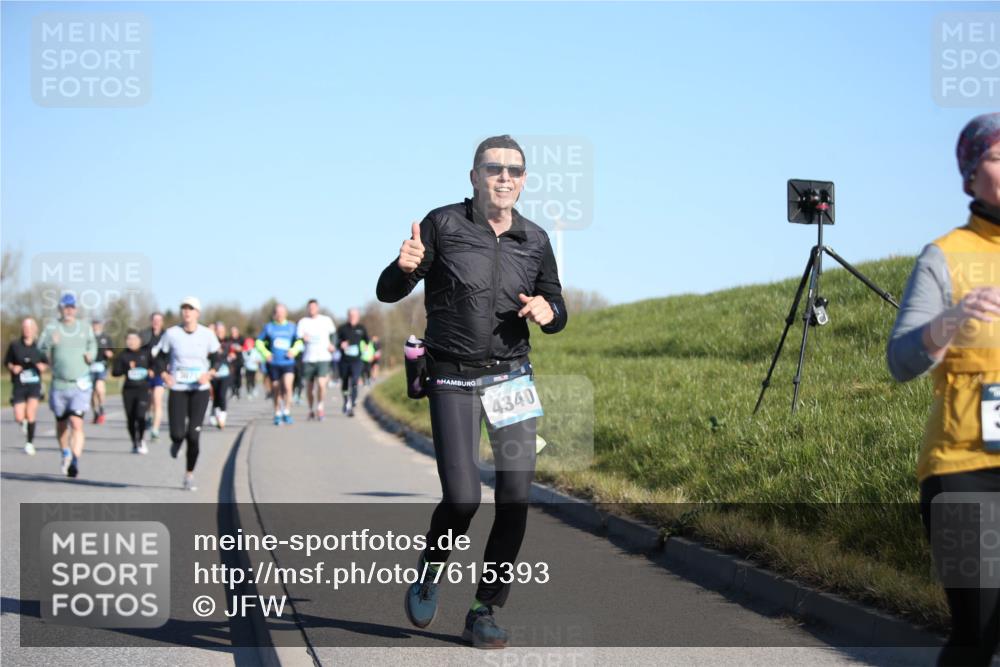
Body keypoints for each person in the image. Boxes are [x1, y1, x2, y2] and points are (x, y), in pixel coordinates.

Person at [376, 135, 568, 648]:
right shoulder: (442, 224)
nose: (505, 178)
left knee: (515, 497)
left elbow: (556, 306)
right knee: (462, 498)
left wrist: (549, 314)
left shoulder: (536, 239)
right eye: (494, 169)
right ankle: (431, 569)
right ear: (474, 176)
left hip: (510, 377)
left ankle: (484, 608)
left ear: (524, 181)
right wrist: (404, 266)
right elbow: (388, 292)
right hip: (453, 376)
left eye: (515, 171)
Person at [887, 112, 1000, 666]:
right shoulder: (944, 256)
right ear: (969, 175)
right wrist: (951, 319)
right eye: (998, 158)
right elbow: (901, 360)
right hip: (963, 468)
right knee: (978, 633)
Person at [157, 296, 221, 491]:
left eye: (191, 309)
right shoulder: (171, 334)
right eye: (184, 308)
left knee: (193, 435)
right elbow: (159, 357)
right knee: (177, 433)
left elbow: (219, 357)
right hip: (178, 388)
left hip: (199, 390)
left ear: (197, 313)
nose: (187, 312)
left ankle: (189, 474)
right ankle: (176, 442)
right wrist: (164, 374)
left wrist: (209, 373)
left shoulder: (207, 334)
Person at [39, 293, 98, 478]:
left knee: (76, 423)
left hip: (80, 384)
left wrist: (91, 354)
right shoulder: (52, 328)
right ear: (60, 309)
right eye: (66, 307)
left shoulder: (84, 327)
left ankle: (75, 460)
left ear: (76, 309)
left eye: (72, 307)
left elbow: (93, 346)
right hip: (59, 384)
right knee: (62, 424)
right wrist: (50, 342)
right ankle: (65, 452)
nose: (69, 310)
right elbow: (40, 349)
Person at [6, 317, 48, 455]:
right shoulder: (15, 345)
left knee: (30, 414)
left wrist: (43, 366)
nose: (27, 331)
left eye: (30, 328)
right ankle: (24, 423)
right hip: (19, 383)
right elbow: (7, 362)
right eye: (25, 328)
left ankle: (29, 443)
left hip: (34, 384)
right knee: (19, 416)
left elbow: (46, 363)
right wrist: (13, 368)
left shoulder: (40, 346)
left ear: (35, 330)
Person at [256, 303, 303, 425]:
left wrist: (293, 351)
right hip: (274, 363)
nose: (280, 314)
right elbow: (258, 342)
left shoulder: (292, 327)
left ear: (286, 313)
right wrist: (266, 354)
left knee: (288, 386)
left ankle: (287, 411)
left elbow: (299, 342)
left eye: (282, 312)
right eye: (278, 312)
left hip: (288, 362)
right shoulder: (269, 327)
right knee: (276, 389)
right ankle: (277, 412)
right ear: (274, 314)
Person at [112, 330, 152, 454]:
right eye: (128, 339)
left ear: (139, 340)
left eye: (134, 339)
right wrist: (126, 369)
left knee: (141, 415)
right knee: (130, 418)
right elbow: (115, 372)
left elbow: (155, 365)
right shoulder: (123, 355)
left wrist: (152, 371)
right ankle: (134, 442)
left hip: (143, 389)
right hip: (128, 390)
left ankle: (141, 439)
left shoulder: (146, 353)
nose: (131, 342)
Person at [297, 299, 337, 420]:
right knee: (309, 387)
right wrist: (303, 338)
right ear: (307, 309)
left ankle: (320, 407)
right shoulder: (303, 322)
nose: (312, 309)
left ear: (318, 308)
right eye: (310, 307)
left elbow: (333, 334)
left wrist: (332, 344)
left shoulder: (326, 320)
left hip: (323, 356)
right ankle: (310, 409)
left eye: (314, 307)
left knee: (321, 383)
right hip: (308, 358)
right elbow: (297, 338)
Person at [336, 308, 369, 417]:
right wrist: (341, 344)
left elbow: (367, 341)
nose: (352, 317)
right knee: (345, 382)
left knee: (355, 380)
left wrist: (365, 348)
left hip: (357, 360)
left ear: (358, 316)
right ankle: (346, 400)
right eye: (351, 315)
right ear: (348, 316)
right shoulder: (342, 328)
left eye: (355, 315)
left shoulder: (361, 328)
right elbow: (335, 342)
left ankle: (353, 401)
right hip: (344, 361)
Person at [141, 312, 167, 441]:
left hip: (160, 373)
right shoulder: (145, 335)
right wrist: (146, 368)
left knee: (157, 400)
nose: (156, 322)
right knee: (149, 401)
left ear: (162, 322)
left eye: (159, 320)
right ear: (151, 321)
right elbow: (140, 354)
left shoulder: (166, 336)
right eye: (154, 320)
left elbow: (169, 355)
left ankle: (155, 430)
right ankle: (149, 416)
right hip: (147, 373)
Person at [89, 319, 114, 424]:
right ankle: (95, 412)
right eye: (94, 325)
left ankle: (102, 409)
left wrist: (109, 353)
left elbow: (112, 352)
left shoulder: (106, 337)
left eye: (98, 325)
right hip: (89, 367)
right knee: (92, 393)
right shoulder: (88, 337)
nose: (96, 327)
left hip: (101, 365)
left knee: (100, 389)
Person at [209, 322, 233, 429]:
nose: (220, 332)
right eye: (218, 330)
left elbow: (231, 352)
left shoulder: (228, 342)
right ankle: (215, 414)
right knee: (216, 397)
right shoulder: (211, 342)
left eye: (222, 330)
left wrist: (232, 354)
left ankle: (222, 417)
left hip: (225, 373)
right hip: (214, 374)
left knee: (222, 395)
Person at [229, 325, 244, 400]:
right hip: (231, 361)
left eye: (234, 331)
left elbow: (245, 348)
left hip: (239, 361)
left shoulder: (241, 339)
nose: (233, 333)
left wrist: (239, 348)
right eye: (232, 332)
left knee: (238, 377)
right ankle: (233, 392)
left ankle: (238, 390)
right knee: (232, 376)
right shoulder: (229, 339)